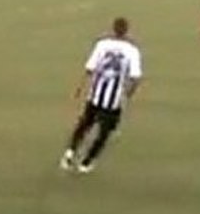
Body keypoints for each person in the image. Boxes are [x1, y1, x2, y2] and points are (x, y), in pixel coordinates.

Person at [61, 17, 143, 174]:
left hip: (95, 95)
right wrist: (128, 95)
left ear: (113, 29)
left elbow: (89, 68)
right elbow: (135, 77)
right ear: (126, 31)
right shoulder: (132, 50)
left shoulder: (102, 45)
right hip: (113, 101)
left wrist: (80, 87)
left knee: (85, 124)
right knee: (104, 132)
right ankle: (86, 162)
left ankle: (70, 152)